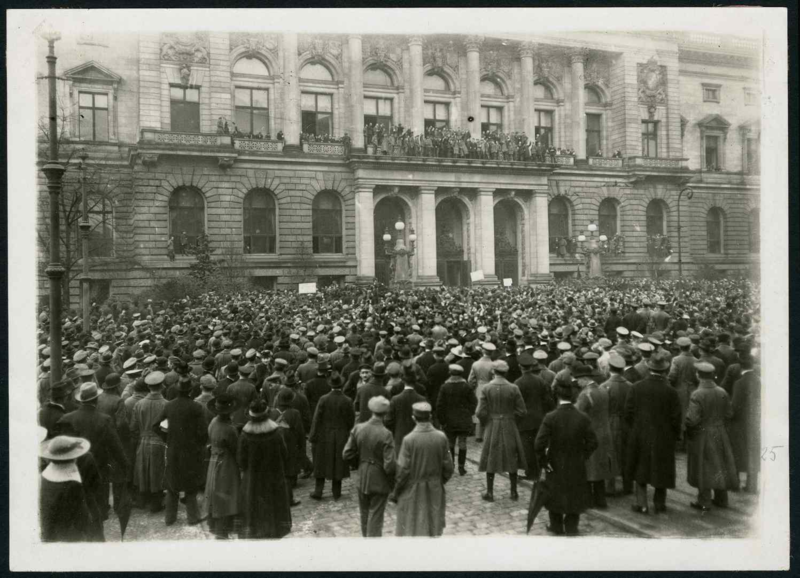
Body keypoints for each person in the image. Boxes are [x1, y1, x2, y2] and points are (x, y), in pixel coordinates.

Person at [58, 382, 129, 522]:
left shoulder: (66, 419)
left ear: (80, 400)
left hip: (74, 467)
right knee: (99, 506)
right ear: (96, 399)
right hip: (99, 466)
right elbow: (116, 447)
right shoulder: (104, 420)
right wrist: (125, 465)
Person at [534, 381, 598, 536]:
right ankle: (571, 527)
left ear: (557, 396)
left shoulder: (551, 417)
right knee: (574, 493)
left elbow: (538, 444)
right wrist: (583, 455)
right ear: (574, 396)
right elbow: (593, 442)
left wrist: (544, 461)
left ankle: (556, 526)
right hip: (576, 462)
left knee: (555, 493)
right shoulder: (582, 417)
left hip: (555, 462)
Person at [624, 350, 682, 514]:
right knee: (661, 469)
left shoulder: (636, 387)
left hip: (640, 434)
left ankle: (641, 504)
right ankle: (659, 503)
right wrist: (675, 435)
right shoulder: (671, 392)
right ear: (665, 371)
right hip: (663, 436)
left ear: (649, 368)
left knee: (640, 468)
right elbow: (676, 417)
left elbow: (627, 412)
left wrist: (634, 429)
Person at [390, 402, 454, 537]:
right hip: (435, 489)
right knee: (433, 528)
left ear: (414, 418)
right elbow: (448, 467)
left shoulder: (409, 440)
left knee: (413, 528)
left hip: (412, 490)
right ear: (430, 417)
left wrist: (396, 492)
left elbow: (402, 471)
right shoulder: (441, 437)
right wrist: (438, 481)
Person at [684, 362, 739, 511]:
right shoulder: (722, 391)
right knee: (720, 464)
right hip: (720, 432)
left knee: (704, 467)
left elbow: (692, 419)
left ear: (698, 375)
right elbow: (729, 413)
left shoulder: (697, 394)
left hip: (703, 434)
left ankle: (704, 501)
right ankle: (722, 498)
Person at [237, 399, 292, 539]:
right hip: (274, 476)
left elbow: (241, 460)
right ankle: (275, 529)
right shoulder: (275, 432)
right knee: (273, 502)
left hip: (253, 478)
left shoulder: (245, 435)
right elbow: (285, 454)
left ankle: (256, 531)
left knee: (254, 504)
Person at [342, 396, 395, 537]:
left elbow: (347, 454)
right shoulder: (386, 434)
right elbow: (389, 465)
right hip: (379, 478)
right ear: (385, 413)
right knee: (376, 516)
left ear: (371, 410)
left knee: (364, 514)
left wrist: (360, 463)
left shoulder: (358, 428)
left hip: (362, 475)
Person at [158, 376, 208, 526]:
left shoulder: (169, 406)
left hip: (173, 449)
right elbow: (203, 432)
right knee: (191, 485)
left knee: (172, 483)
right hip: (191, 450)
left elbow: (156, 425)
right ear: (191, 391)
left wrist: (167, 437)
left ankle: (170, 517)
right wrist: (198, 444)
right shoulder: (196, 407)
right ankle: (192, 517)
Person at [476, 359, 527, 501]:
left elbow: (480, 412)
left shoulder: (486, 388)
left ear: (493, 371)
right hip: (509, 424)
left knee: (490, 455)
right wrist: (511, 418)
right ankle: (513, 491)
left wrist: (485, 422)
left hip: (492, 424)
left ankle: (490, 492)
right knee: (511, 456)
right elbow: (522, 411)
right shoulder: (513, 388)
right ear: (506, 372)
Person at [39, 436, 95, 542]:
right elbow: (82, 518)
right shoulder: (72, 484)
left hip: (48, 533)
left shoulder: (43, 477)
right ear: (74, 458)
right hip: (67, 537)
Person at [308, 374, 355, 500]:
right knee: (338, 462)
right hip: (341, 434)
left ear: (331, 385)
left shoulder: (323, 399)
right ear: (341, 385)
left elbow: (317, 418)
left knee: (321, 461)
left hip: (324, 434)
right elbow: (351, 420)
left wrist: (313, 435)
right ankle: (336, 491)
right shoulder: (347, 400)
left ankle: (318, 491)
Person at [575, 364, 615, 509]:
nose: (577, 382)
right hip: (605, 432)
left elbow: (577, 414)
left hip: (590, 435)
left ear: (584, 379)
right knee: (600, 467)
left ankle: (589, 499)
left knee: (589, 468)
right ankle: (601, 499)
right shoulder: (603, 390)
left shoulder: (585, 394)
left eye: (578, 379)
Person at [131, 370, 169, 513]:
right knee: (157, 471)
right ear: (162, 386)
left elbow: (133, 427)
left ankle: (142, 500)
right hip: (159, 441)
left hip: (143, 440)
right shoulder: (166, 404)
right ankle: (155, 503)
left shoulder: (139, 404)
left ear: (149, 387)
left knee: (142, 470)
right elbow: (168, 427)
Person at [203, 394, 240, 539]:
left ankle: (215, 522)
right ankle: (223, 527)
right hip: (226, 462)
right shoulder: (229, 429)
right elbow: (235, 448)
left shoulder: (214, 421)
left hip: (214, 459)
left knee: (214, 489)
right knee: (227, 491)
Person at [514, 352, 554, 480]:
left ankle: (531, 473)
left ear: (521, 367)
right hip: (539, 418)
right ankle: (538, 470)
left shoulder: (518, 383)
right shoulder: (540, 381)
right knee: (538, 445)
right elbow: (548, 400)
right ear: (531, 367)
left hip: (524, 420)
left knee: (527, 448)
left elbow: (516, 403)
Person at [436, 364, 477, 476]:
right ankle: (461, 467)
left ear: (450, 373)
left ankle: (451, 465)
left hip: (449, 420)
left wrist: (442, 420)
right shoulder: (466, 386)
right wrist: (469, 413)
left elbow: (439, 405)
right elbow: (474, 402)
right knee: (463, 443)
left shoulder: (444, 387)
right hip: (463, 419)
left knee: (450, 443)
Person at [729, 353, 761, 493]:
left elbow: (734, 407)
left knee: (738, 451)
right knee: (752, 451)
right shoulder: (759, 380)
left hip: (740, 423)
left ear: (740, 367)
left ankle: (736, 483)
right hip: (755, 422)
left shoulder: (739, 383)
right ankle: (752, 484)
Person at [601, 354, 633, 496]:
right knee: (626, 452)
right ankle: (628, 485)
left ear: (610, 368)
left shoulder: (604, 386)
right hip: (627, 423)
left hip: (610, 421)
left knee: (610, 452)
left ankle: (610, 486)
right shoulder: (630, 386)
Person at [273, 388, 305, 506]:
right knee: (290, 466)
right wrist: (301, 446)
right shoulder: (295, 413)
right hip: (291, 443)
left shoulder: (272, 412)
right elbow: (300, 432)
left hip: (276, 443)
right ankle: (289, 497)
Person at [385, 367, 426, 453]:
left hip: (399, 437)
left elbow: (388, 421)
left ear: (403, 381)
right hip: (419, 438)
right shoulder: (422, 399)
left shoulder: (395, 399)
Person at [468, 342, 496, 442]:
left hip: (479, 387)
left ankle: (478, 435)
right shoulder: (493, 365)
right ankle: (487, 434)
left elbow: (471, 380)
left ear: (483, 351)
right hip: (490, 387)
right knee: (489, 409)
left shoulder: (475, 364)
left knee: (479, 408)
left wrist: (473, 388)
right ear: (491, 353)